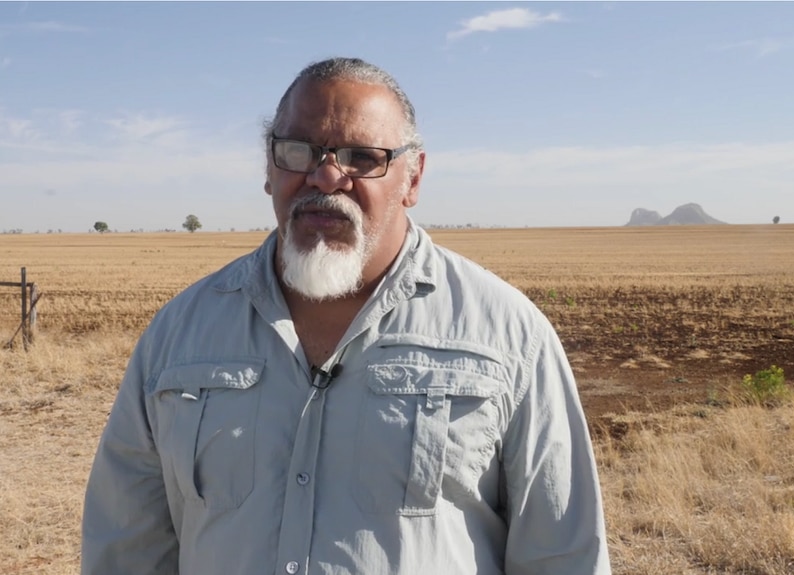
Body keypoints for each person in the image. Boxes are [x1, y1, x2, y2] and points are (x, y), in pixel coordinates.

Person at [81, 56, 611, 575]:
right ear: (269, 169)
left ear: (413, 178)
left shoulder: (507, 335)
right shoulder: (179, 335)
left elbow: (562, 556)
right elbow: (126, 546)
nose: (326, 177)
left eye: (361, 156)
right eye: (299, 151)